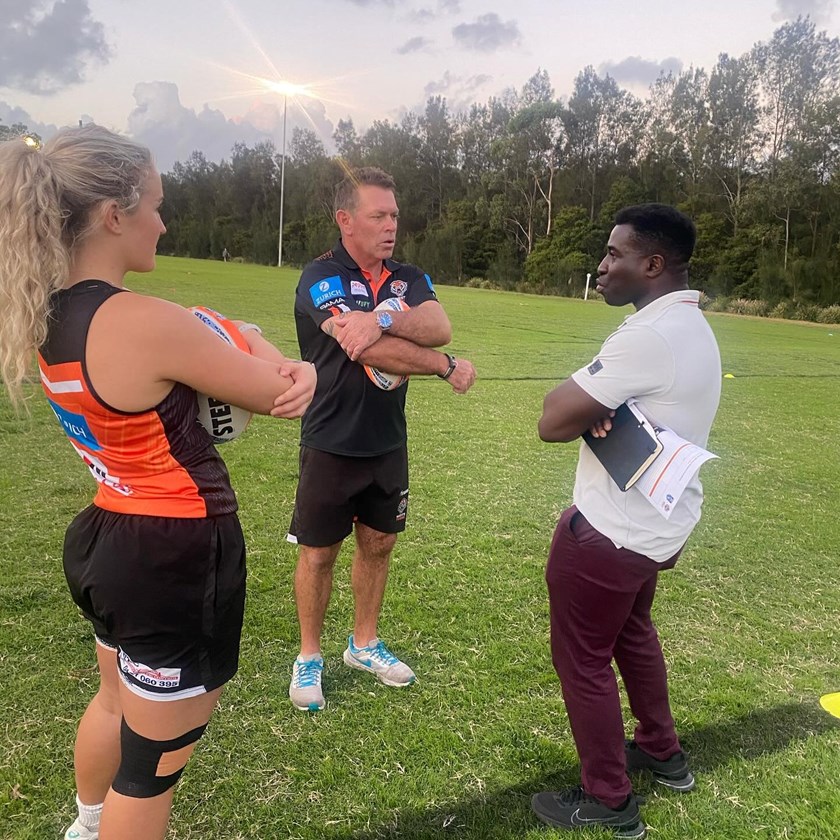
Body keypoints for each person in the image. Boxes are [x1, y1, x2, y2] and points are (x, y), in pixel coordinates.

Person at [0, 125, 316, 840]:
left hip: (106, 536)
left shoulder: (48, 313)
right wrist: (272, 345)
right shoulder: (143, 321)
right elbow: (282, 393)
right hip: (171, 554)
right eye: (157, 205)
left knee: (113, 703)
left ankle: (83, 828)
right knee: (151, 769)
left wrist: (217, 331)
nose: (164, 223)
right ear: (115, 214)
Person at [531, 204, 721, 838]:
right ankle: (662, 751)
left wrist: (589, 409)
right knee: (632, 633)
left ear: (653, 264)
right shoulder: (692, 325)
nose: (603, 266)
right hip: (654, 531)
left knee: (583, 659)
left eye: (615, 255)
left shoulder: (648, 336)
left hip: (609, 533)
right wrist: (600, 408)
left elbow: (552, 419)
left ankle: (609, 797)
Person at [287, 166, 476, 711]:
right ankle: (309, 655)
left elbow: (439, 323)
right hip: (329, 439)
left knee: (379, 544)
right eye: (379, 215)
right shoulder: (319, 276)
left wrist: (385, 313)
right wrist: (443, 366)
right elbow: (359, 347)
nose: (391, 225)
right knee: (319, 553)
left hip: (387, 442)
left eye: (394, 215)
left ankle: (363, 643)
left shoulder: (407, 276)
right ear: (345, 220)